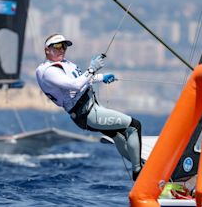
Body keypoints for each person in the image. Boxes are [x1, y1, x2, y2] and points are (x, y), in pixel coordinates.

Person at [36, 34, 143, 181]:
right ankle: (139, 171)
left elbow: (81, 80)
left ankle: (139, 167)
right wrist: (92, 69)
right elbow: (75, 85)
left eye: (64, 46)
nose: (62, 50)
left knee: (117, 134)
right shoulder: (49, 71)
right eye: (57, 46)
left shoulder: (64, 64)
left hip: (89, 110)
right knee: (134, 126)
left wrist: (101, 77)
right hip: (87, 113)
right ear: (47, 50)